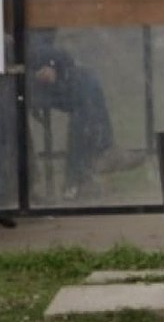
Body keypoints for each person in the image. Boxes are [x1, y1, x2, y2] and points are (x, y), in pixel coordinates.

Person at [26, 34, 136, 200]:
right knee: (83, 88)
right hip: (14, 78)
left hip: (35, 70)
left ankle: (85, 171)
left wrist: (51, 64)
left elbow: (34, 44)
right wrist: (54, 61)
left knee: (86, 82)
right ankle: (80, 177)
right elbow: (19, 46)